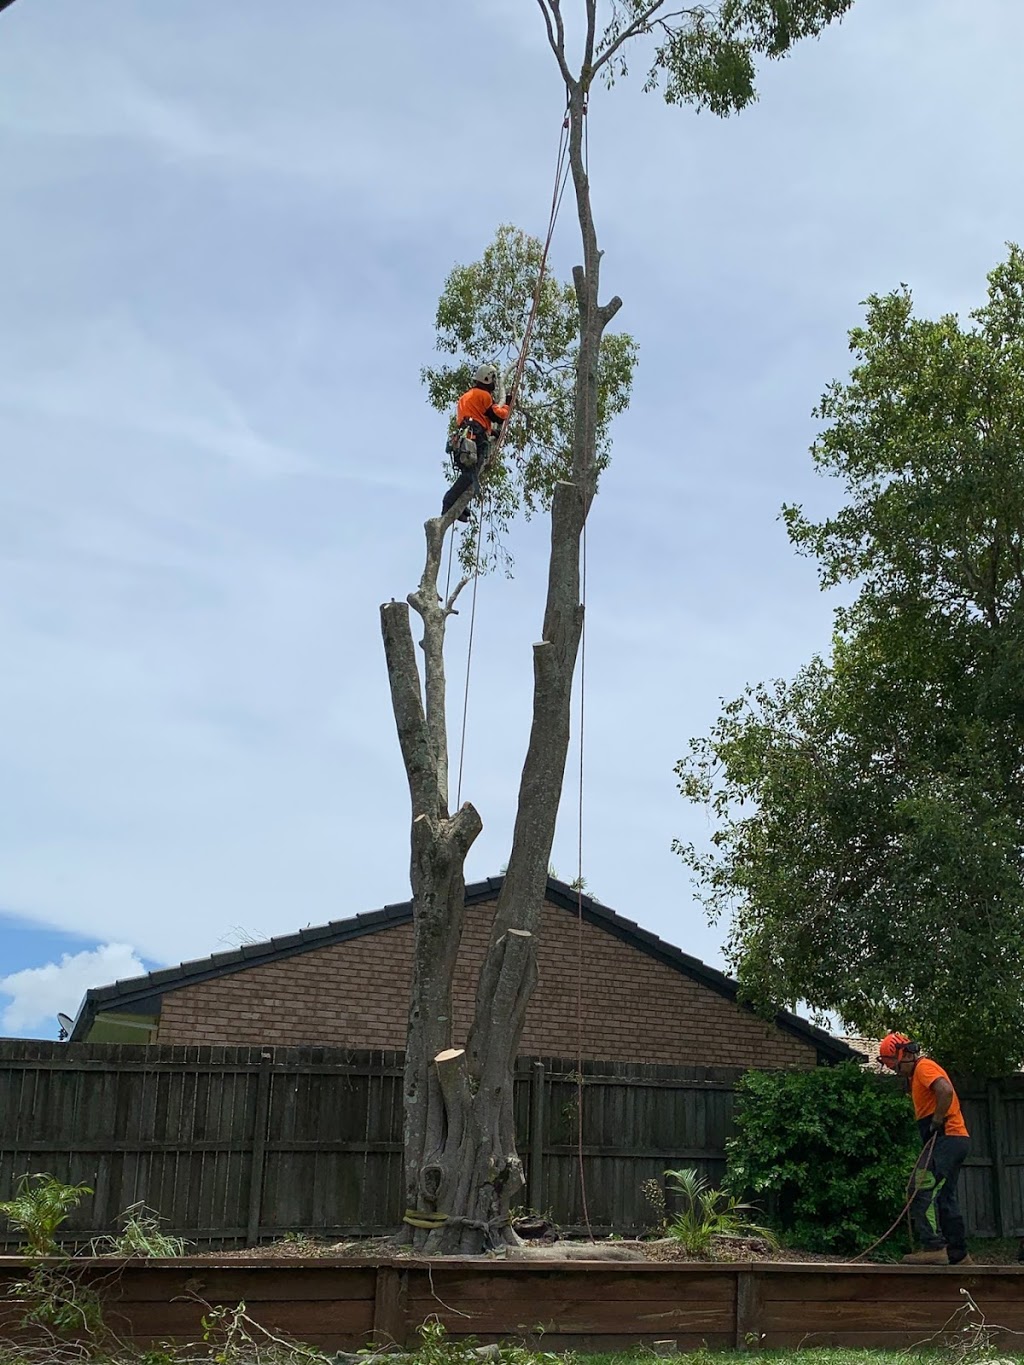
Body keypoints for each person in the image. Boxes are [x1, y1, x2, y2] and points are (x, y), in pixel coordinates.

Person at [878, 1032, 972, 1266]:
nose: (892, 1068)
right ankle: (959, 1254)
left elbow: (945, 1091)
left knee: (920, 1187)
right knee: (945, 1196)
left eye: (891, 1062)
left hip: (947, 1137)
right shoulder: (915, 1076)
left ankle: (934, 1247)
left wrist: (937, 1121)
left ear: (903, 1055)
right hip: (954, 1139)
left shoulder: (924, 1067)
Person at [441, 363, 510, 520]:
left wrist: (492, 432)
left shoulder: (466, 397)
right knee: (470, 474)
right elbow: (497, 416)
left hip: (465, 436)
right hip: (473, 436)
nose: (494, 384)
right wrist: (507, 405)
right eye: (493, 380)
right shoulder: (483, 395)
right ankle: (448, 502)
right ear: (487, 379)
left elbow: (477, 418)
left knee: (469, 474)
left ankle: (459, 505)